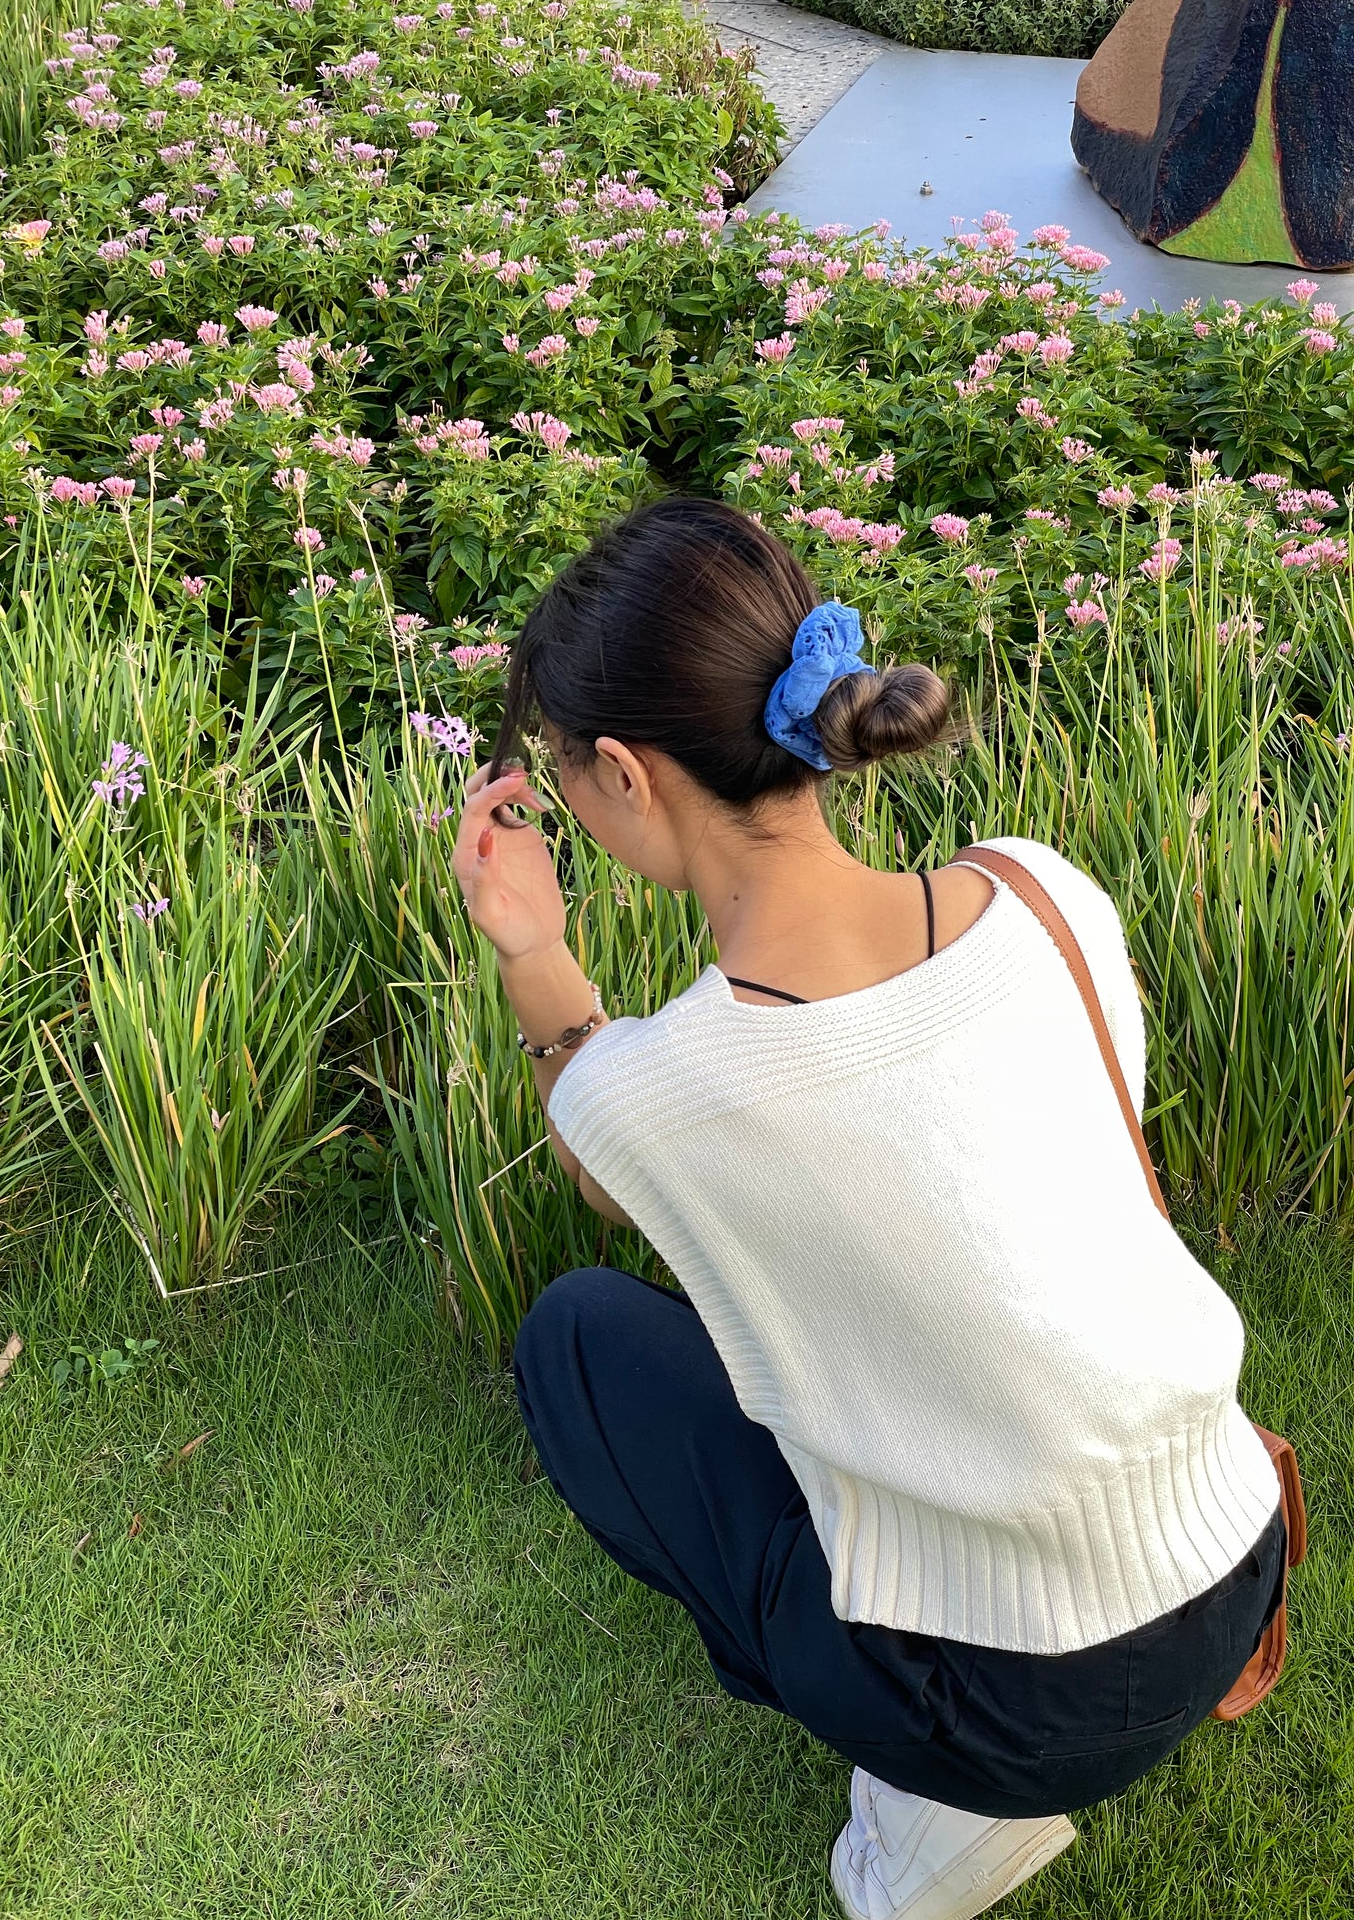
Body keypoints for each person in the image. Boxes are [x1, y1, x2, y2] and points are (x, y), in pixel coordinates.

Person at [449, 497, 1287, 1920]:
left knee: (581, 1342)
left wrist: (535, 951)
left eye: (560, 774)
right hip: (1230, 1548)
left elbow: (598, 1143)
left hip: (1014, 1711)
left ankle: (939, 1813)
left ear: (621, 776)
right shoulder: (1041, 891)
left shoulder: (665, 1091)